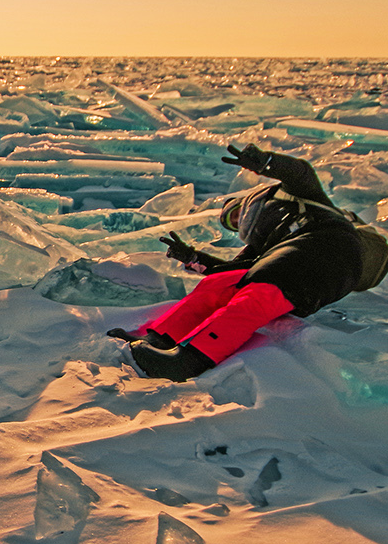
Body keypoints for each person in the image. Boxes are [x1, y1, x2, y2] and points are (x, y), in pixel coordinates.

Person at [110, 143, 364, 382]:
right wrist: (193, 258)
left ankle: (189, 360)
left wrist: (267, 163)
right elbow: (231, 272)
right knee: (219, 284)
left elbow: (300, 173)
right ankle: (159, 339)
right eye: (232, 223)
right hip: (290, 266)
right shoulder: (265, 247)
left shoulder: (301, 199)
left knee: (258, 293)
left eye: (237, 213)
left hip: (332, 249)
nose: (238, 220)